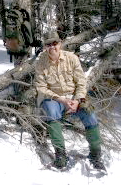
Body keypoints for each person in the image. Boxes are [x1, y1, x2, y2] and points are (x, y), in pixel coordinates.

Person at [35, 31, 105, 170]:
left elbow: (81, 82)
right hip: (54, 98)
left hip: (73, 97)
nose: (52, 47)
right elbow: (41, 88)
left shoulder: (71, 58)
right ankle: (61, 155)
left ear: (60, 44)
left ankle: (95, 155)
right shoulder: (41, 63)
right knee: (51, 111)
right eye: (48, 44)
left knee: (90, 114)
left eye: (55, 43)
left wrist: (77, 100)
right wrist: (61, 100)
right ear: (45, 47)